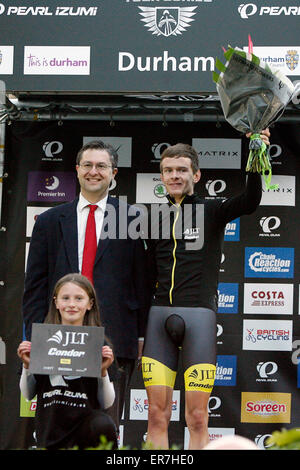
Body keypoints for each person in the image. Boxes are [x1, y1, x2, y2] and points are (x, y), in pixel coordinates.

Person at [141, 130, 270, 450]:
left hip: (198, 318)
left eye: (182, 170)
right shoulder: (152, 216)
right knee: (157, 416)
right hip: (158, 319)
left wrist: (256, 154)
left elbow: (250, 201)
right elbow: (144, 273)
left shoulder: (213, 210)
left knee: (197, 417)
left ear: (196, 175)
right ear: (161, 176)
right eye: (168, 170)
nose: (175, 176)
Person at [22, 140, 150, 430]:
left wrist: (141, 335)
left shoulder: (132, 218)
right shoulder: (49, 221)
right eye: (88, 165)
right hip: (56, 337)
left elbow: (141, 282)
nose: (94, 171)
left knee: (106, 425)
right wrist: (34, 335)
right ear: (77, 170)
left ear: (113, 173)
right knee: (57, 424)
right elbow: (35, 285)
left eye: (102, 166)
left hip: (115, 337)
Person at [18, 273, 118, 450]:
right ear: (56, 303)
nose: (72, 304)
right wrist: (27, 366)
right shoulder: (41, 340)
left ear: (90, 304)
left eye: (79, 298)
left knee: (104, 424)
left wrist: (102, 371)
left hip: (86, 429)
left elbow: (107, 402)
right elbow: (28, 394)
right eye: (65, 298)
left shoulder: (98, 344)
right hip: (50, 430)